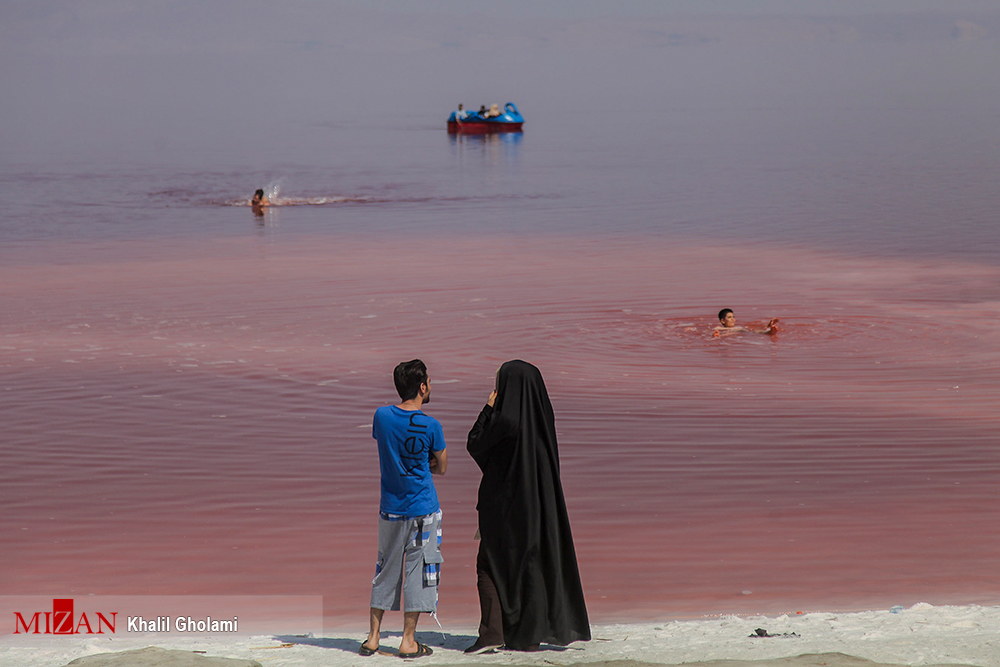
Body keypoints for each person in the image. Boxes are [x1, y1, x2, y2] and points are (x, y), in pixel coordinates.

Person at [465, 360, 590, 653]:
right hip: (540, 506)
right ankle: (528, 636)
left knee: (489, 563)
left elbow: (474, 443)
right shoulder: (543, 419)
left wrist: (487, 408)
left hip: (504, 507)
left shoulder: (504, 421)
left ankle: (492, 632)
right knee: (530, 566)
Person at [360, 359, 447, 659]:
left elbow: (388, 448)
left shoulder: (381, 416)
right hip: (423, 508)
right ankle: (408, 641)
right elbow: (442, 466)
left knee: (385, 569)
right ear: (422, 387)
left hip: (391, 508)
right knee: (420, 572)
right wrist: (425, 463)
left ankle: (373, 637)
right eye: (430, 382)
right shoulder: (432, 425)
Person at [713, 308, 778, 337]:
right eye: (729, 317)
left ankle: (769, 331)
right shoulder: (719, 328)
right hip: (738, 333)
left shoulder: (738, 328)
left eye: (733, 317)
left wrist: (768, 326)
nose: (733, 319)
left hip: (744, 333)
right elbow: (717, 328)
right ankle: (769, 332)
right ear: (723, 321)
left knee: (754, 331)